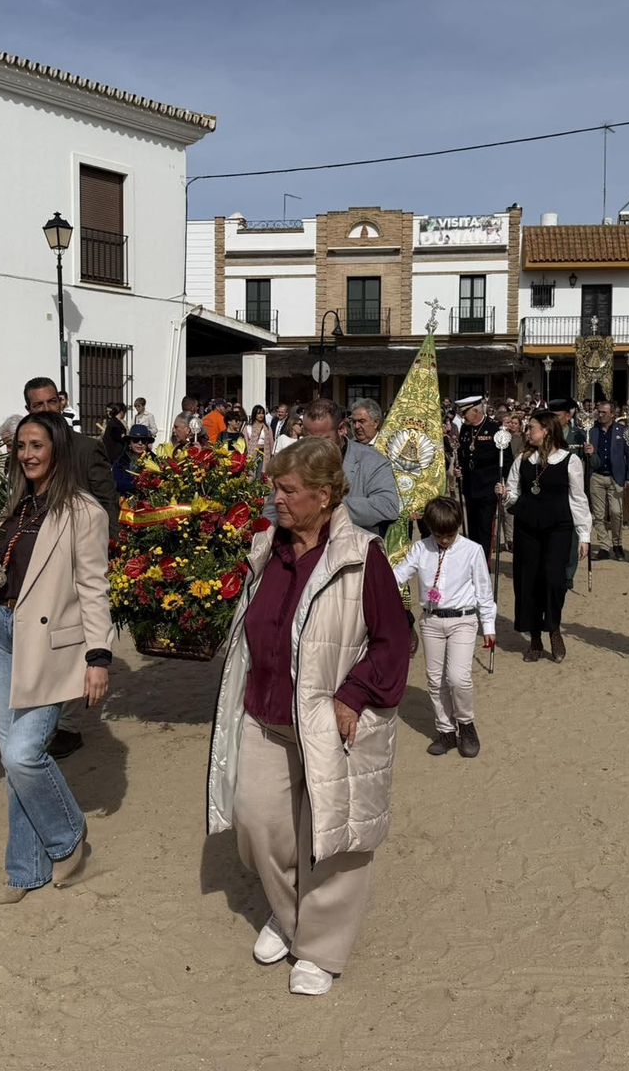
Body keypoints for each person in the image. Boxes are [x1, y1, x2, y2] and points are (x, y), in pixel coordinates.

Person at [205, 437, 408, 996]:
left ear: (323, 496)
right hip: (264, 711)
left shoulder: (360, 555)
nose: (276, 498)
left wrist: (356, 692)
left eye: (287, 490)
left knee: (332, 837)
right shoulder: (267, 547)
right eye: (274, 486)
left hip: (326, 719)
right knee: (258, 824)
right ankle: (290, 913)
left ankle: (319, 948)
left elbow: (394, 640)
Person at [0, 411, 109, 901]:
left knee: (22, 755)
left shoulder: (84, 512)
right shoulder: (16, 505)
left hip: (53, 647)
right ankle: (24, 869)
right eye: (22, 446)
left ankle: (69, 837)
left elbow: (94, 587)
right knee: (12, 760)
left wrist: (98, 657)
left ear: (56, 449)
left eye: (37, 445)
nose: (28, 454)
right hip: (5, 634)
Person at [23, 376, 117, 761]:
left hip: (80, 555)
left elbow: (107, 500)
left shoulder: (85, 448)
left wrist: (99, 544)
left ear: (61, 403)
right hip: (41, 561)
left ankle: (70, 725)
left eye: (51, 403)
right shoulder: (25, 451)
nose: (46, 410)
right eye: (37, 405)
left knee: (76, 637)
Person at [391, 496, 494, 759]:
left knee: (458, 678)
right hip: (432, 620)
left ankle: (466, 724)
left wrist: (489, 624)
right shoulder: (420, 549)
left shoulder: (472, 550)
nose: (445, 540)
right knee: (435, 680)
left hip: (463, 619)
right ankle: (445, 730)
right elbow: (399, 574)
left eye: (450, 534)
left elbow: (484, 590)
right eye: (439, 535)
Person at [504, 409, 590, 664]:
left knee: (554, 580)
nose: (527, 431)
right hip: (527, 526)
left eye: (531, 427)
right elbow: (513, 493)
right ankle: (534, 638)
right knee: (528, 582)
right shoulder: (522, 459)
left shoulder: (570, 460)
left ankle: (553, 627)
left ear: (547, 430)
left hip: (558, 527)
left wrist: (584, 534)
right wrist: (504, 495)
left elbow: (578, 498)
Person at [272, 399, 399, 538]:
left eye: (323, 440)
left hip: (351, 548)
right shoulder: (295, 457)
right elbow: (274, 507)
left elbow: (388, 506)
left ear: (341, 429)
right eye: (308, 438)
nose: (314, 448)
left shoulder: (373, 461)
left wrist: (327, 505)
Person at [456, 401, 509, 549]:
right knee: (472, 528)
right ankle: (473, 563)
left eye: (465, 413)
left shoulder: (495, 428)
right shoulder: (465, 429)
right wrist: (460, 468)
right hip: (470, 486)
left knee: (484, 528)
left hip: (488, 486)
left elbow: (506, 458)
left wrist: (504, 482)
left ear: (475, 412)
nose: (462, 416)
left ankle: (484, 565)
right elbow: (463, 453)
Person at [583, 401, 629, 562]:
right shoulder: (591, 430)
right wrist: (587, 452)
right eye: (599, 412)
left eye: (604, 412)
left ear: (612, 414)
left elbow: (628, 454)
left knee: (616, 512)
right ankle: (604, 546)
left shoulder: (622, 431)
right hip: (596, 475)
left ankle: (617, 543)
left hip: (615, 476)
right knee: (598, 515)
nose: (600, 415)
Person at [113, 424, 153, 495]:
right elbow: (115, 483)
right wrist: (136, 484)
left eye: (143, 441)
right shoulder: (121, 462)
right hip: (125, 501)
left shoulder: (154, 460)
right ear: (130, 443)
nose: (140, 443)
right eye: (136, 440)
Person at [242, 404, 275, 469]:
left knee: (262, 472)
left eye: (263, 413)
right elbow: (245, 442)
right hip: (252, 452)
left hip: (264, 452)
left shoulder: (267, 427)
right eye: (259, 413)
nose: (261, 415)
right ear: (254, 414)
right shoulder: (248, 427)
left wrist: (272, 454)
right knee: (252, 471)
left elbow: (271, 441)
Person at [100, 402, 128, 467]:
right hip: (115, 458)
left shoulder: (113, 423)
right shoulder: (115, 425)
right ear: (121, 412)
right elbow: (121, 438)